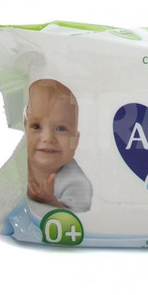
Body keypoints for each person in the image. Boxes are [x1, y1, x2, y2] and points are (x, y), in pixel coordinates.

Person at [25, 79, 92, 212]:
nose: (48, 138)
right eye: (36, 126)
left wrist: (51, 201)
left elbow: (80, 217)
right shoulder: (18, 166)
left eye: (61, 129)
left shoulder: (76, 183)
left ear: (75, 141)